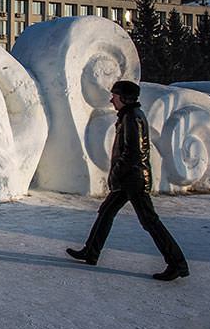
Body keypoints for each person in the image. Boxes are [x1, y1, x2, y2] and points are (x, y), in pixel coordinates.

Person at [66, 79, 189, 280]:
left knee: (150, 221)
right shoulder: (128, 116)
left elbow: (133, 153)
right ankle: (91, 251)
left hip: (133, 179)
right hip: (128, 178)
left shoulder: (132, 118)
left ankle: (177, 263)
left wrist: (115, 174)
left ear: (124, 98)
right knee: (106, 212)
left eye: (114, 96)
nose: (111, 100)